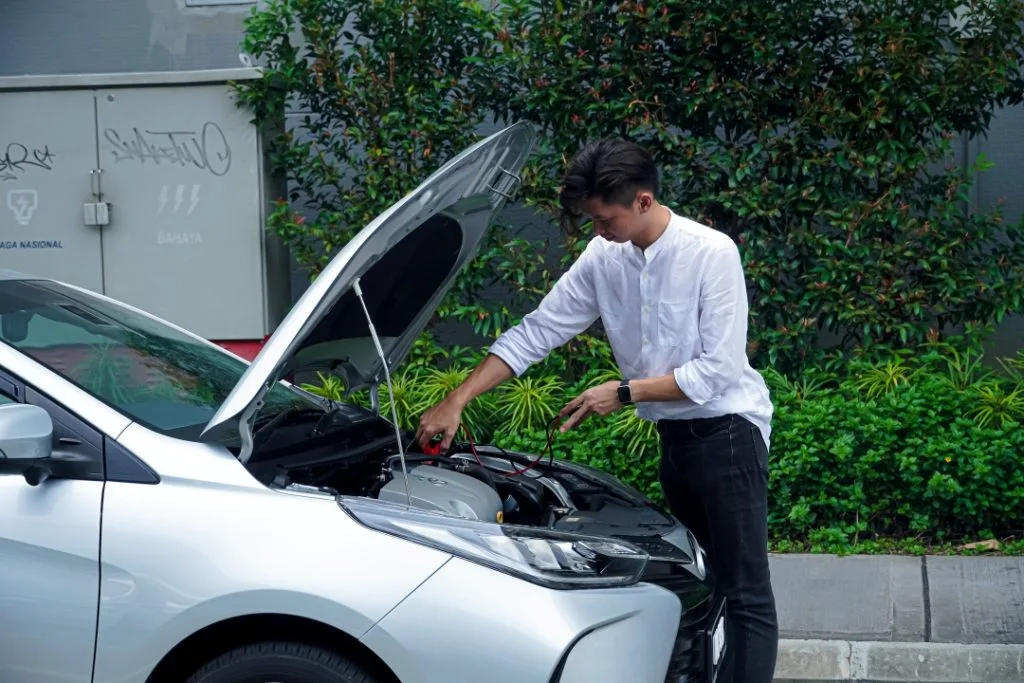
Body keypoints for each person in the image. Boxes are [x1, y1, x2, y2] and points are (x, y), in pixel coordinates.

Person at [415, 138, 778, 683]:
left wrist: (624, 392)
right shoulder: (603, 256)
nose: (598, 229)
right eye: (592, 220)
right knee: (707, 585)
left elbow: (717, 373)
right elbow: (539, 330)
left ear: (644, 201)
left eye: (606, 219)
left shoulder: (710, 252)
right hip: (676, 442)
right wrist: (457, 399)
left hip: (728, 435)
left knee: (745, 592)